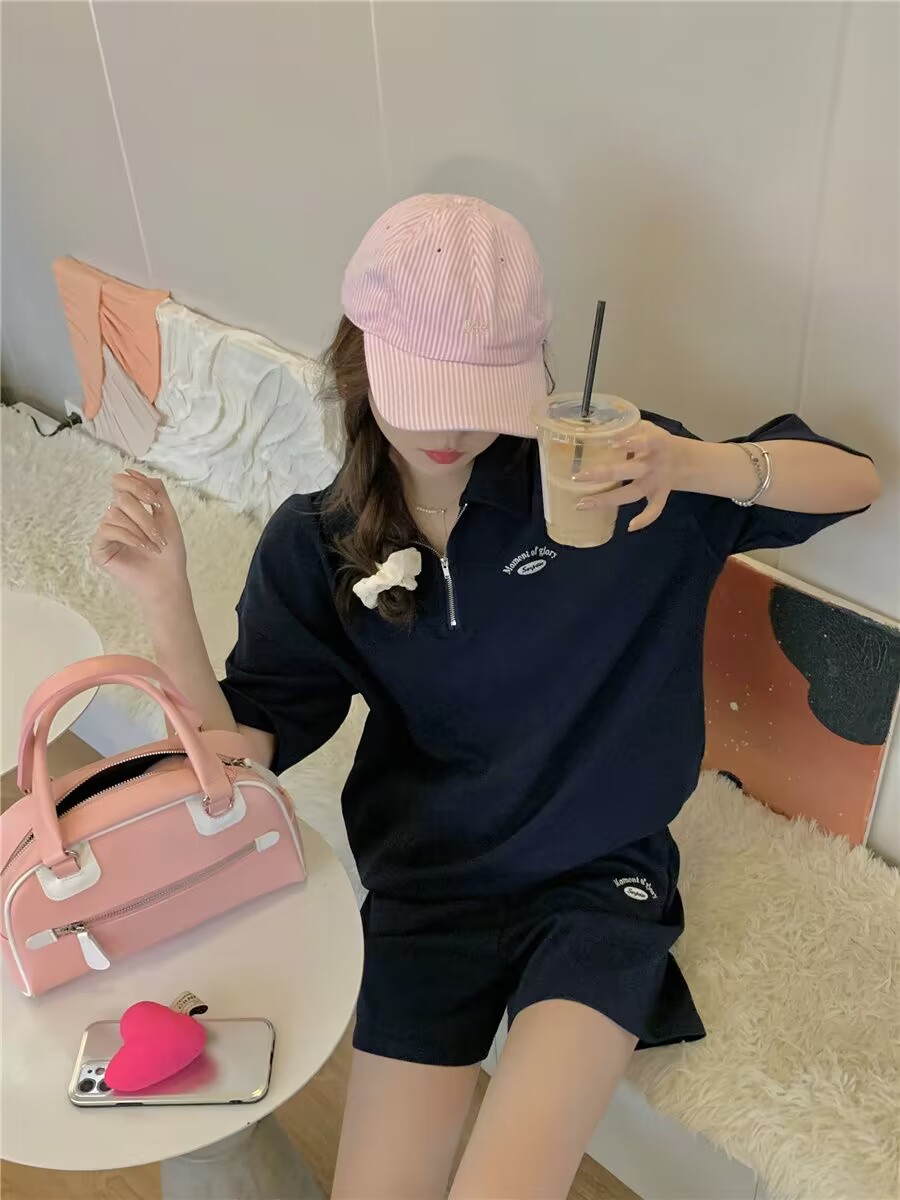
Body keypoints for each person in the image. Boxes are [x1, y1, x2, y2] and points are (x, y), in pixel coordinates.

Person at [91, 195, 881, 1200]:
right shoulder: (317, 544)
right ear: (361, 363)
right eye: (424, 390)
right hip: (430, 890)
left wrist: (698, 464)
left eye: (478, 393)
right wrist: (166, 600)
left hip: (597, 884)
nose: (452, 426)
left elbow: (855, 482)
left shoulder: (615, 480)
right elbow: (239, 754)